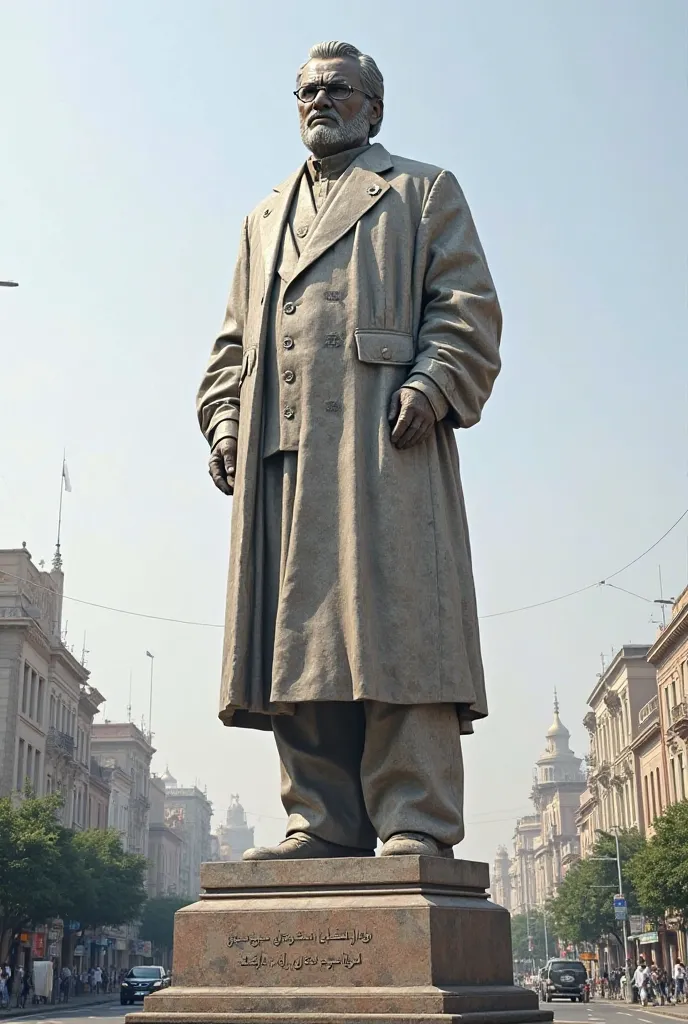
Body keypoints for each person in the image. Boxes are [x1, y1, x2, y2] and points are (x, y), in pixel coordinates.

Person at [198, 39, 502, 861]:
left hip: (383, 449)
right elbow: (231, 344)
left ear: (374, 107)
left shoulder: (420, 190)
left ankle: (416, 818)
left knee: (398, 630)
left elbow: (467, 307)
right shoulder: (262, 218)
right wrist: (225, 419)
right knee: (295, 639)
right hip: (284, 460)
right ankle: (321, 819)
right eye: (306, 92)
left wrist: (432, 383)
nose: (319, 102)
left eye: (338, 89)